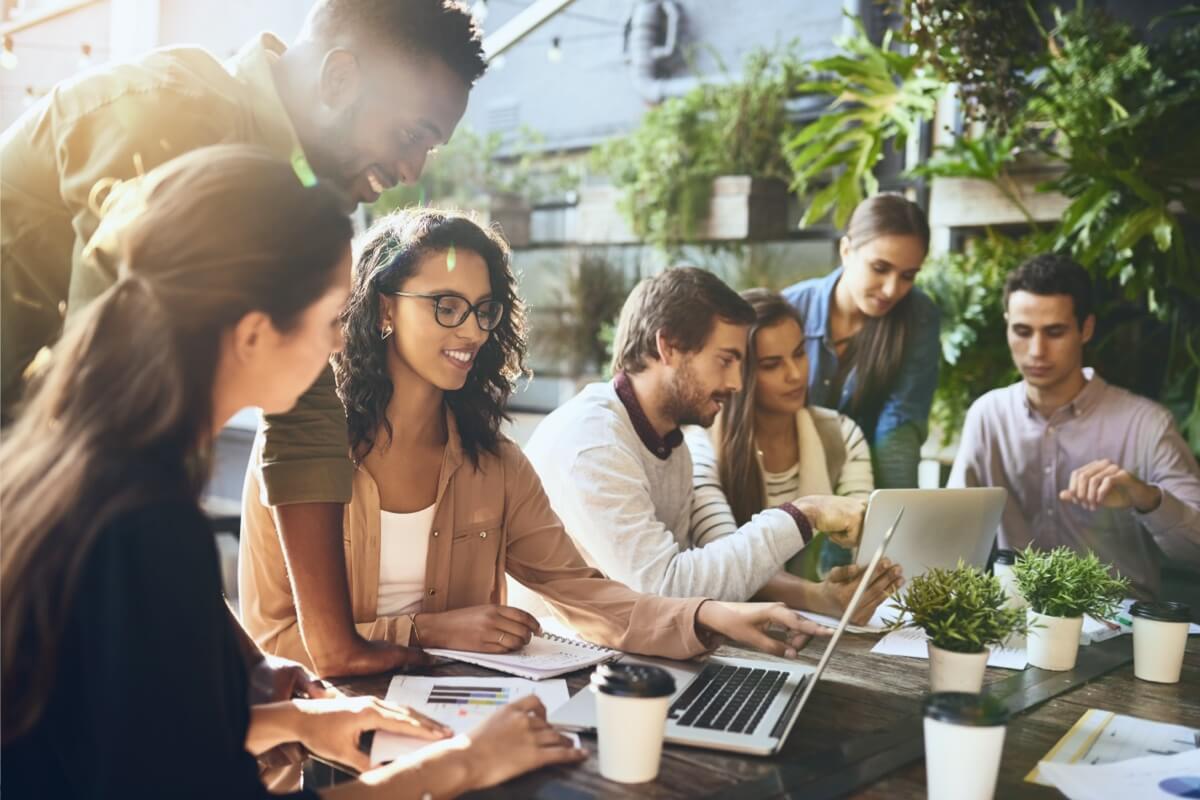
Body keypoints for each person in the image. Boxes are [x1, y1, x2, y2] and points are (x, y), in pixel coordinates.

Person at [1, 147, 592, 798]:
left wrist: (292, 722)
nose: (343, 343)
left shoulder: (77, 472)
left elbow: (121, 744)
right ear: (255, 334)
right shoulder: (145, 528)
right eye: (334, 320)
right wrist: (465, 763)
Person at [1, 0, 483, 677]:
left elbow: (307, 408)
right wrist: (240, 673)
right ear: (339, 80)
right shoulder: (173, 117)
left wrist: (328, 649)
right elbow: (106, 418)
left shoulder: (302, 190)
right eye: (411, 133)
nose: (411, 171)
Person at [240, 209, 834, 676]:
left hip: (469, 718)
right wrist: (427, 631)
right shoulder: (302, 451)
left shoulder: (496, 465)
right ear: (383, 307)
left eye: (484, 310)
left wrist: (710, 616)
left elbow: (585, 594)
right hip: (333, 737)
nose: (472, 330)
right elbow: (276, 639)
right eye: (447, 307)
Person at [525, 267, 872, 620]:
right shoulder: (594, 441)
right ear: (668, 347)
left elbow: (703, 570)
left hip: (624, 648)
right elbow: (664, 589)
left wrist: (812, 598)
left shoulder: (671, 444)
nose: (737, 383)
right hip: (552, 659)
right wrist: (805, 513)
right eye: (725, 361)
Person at [948, 254, 1200, 598]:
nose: (1036, 351)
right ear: (1007, 324)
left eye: (1055, 332)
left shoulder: (1147, 425)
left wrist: (1148, 498)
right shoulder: (988, 415)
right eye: (1022, 331)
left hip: (1119, 629)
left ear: (1086, 329)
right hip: (1019, 623)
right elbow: (951, 533)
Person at [684, 289, 903, 624]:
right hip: (730, 629)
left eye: (800, 354)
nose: (796, 374)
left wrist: (860, 582)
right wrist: (817, 597)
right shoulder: (702, 447)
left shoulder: (841, 434)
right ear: (737, 373)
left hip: (815, 625)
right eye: (772, 365)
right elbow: (727, 563)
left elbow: (867, 536)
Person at [780, 193, 940, 489]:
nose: (892, 290)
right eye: (880, 268)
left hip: (867, 489)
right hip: (785, 487)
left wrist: (897, 517)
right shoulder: (789, 310)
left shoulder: (919, 316)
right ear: (846, 251)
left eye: (908, 276)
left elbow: (899, 425)